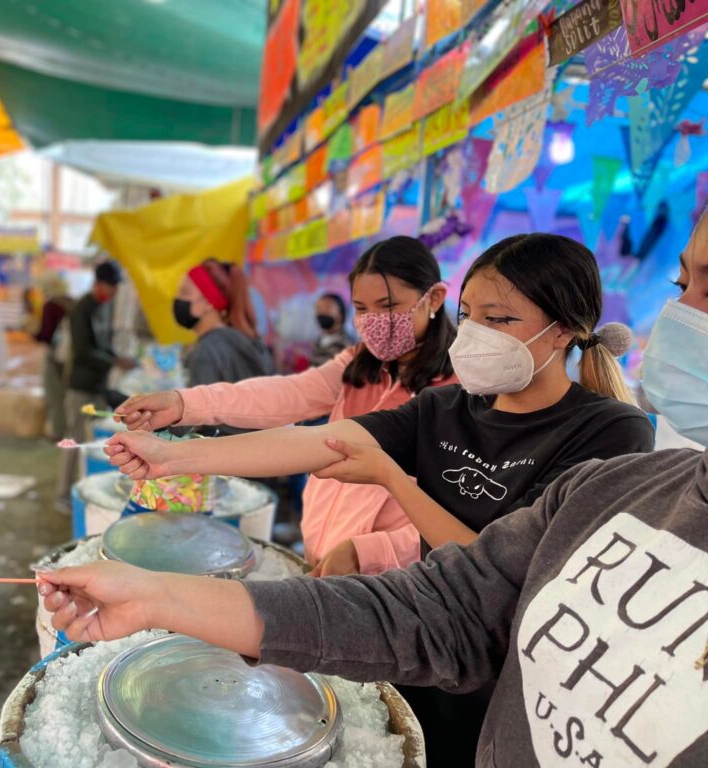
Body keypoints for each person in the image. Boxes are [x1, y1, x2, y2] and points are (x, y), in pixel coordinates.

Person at [41, 216, 708, 768]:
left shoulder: (609, 433)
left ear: (562, 328)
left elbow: (506, 578)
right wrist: (174, 455)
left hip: (501, 695)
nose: (475, 335)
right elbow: (317, 441)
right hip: (411, 644)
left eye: (499, 318)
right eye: (471, 316)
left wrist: (393, 481)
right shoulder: (448, 409)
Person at [115, 237, 457, 574]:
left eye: (388, 306)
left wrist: (368, 552)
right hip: (322, 556)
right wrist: (183, 404)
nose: (374, 321)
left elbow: (462, 524)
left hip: (389, 579)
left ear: (434, 298)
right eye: (362, 309)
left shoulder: (455, 395)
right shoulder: (358, 365)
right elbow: (285, 395)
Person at [54, 261, 134, 509]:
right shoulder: (82, 309)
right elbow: (83, 351)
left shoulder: (102, 307)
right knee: (74, 440)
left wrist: (116, 358)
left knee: (92, 443)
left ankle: (85, 487)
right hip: (81, 387)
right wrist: (115, 361)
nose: (115, 292)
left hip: (97, 385)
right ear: (99, 284)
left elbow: (101, 346)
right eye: (112, 286)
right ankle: (62, 494)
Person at [173, 258, 274, 387]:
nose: (178, 299)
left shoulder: (206, 353)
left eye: (185, 293)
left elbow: (202, 400)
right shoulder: (249, 341)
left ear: (208, 303)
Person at [34, 274, 74, 440]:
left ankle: (58, 432)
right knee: (68, 395)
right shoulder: (72, 302)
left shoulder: (50, 306)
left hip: (55, 357)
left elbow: (46, 334)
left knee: (55, 394)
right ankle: (71, 430)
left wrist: (32, 332)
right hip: (72, 358)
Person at [310, 291, 355, 367]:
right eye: (318, 308)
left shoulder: (348, 345)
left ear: (340, 314)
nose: (322, 312)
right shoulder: (318, 341)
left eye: (327, 307)